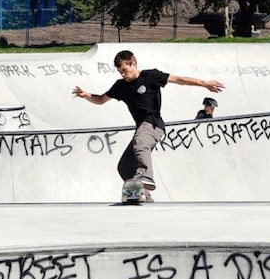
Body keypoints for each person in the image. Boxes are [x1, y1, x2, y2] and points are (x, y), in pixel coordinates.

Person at [72, 50, 225, 200]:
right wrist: (86, 95)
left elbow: (178, 79)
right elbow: (101, 99)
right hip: (142, 128)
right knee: (124, 167)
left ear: (133, 63)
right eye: (120, 72)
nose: (123, 75)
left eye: (125, 70)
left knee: (140, 143)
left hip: (154, 123)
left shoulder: (150, 76)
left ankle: (146, 175)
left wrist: (204, 83)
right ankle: (143, 195)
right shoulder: (121, 86)